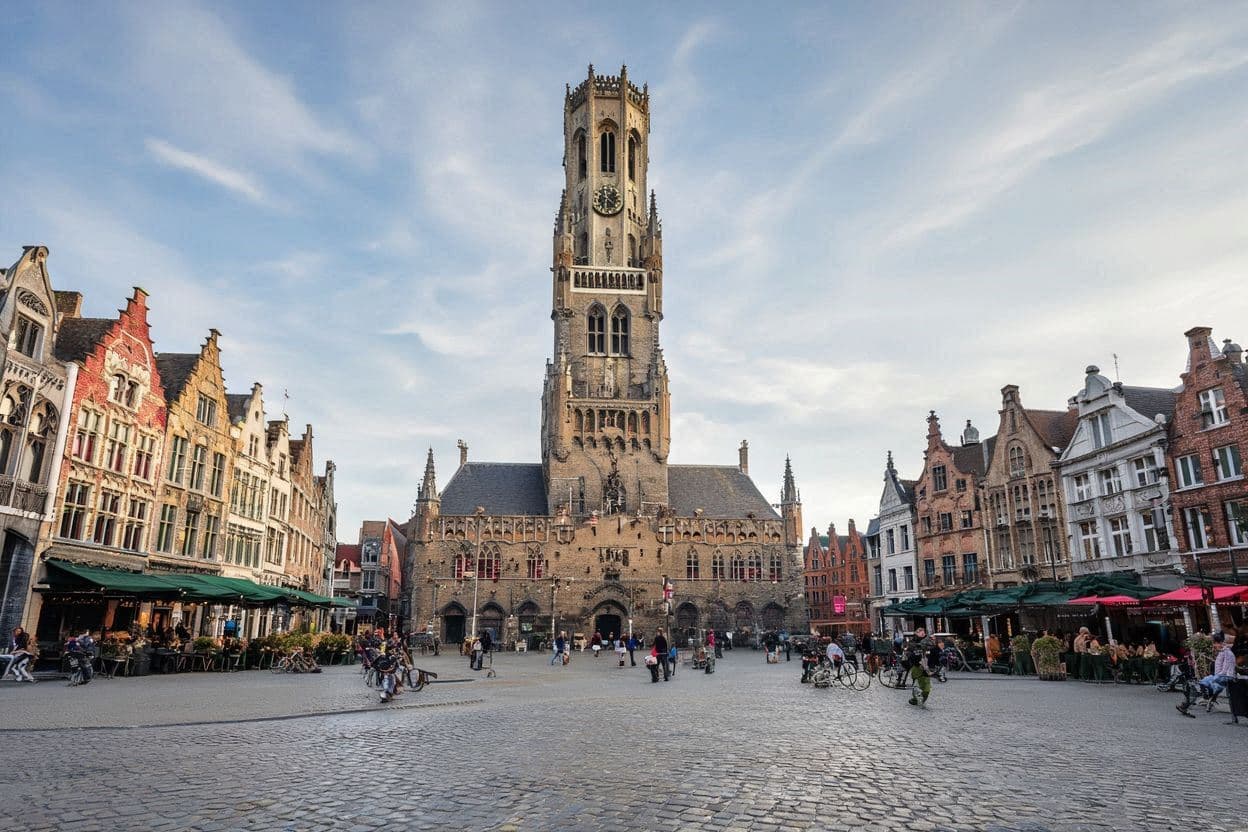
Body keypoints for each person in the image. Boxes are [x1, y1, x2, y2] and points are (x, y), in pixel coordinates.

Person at [1180, 633, 1237, 715]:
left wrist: (1214, 678)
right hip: (1221, 677)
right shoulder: (1222, 652)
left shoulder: (1227, 653)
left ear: (1220, 643)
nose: (1214, 645)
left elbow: (1225, 671)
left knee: (1198, 686)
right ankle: (1187, 704)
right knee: (1197, 686)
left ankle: (1186, 705)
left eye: (1214, 643)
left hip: (1225, 677)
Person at [905, 626, 934, 707]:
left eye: (922, 631)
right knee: (917, 683)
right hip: (916, 665)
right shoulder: (913, 641)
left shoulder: (928, 641)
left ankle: (922, 698)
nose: (921, 633)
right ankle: (916, 698)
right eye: (919, 631)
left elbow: (932, 648)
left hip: (926, 665)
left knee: (926, 683)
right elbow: (910, 652)